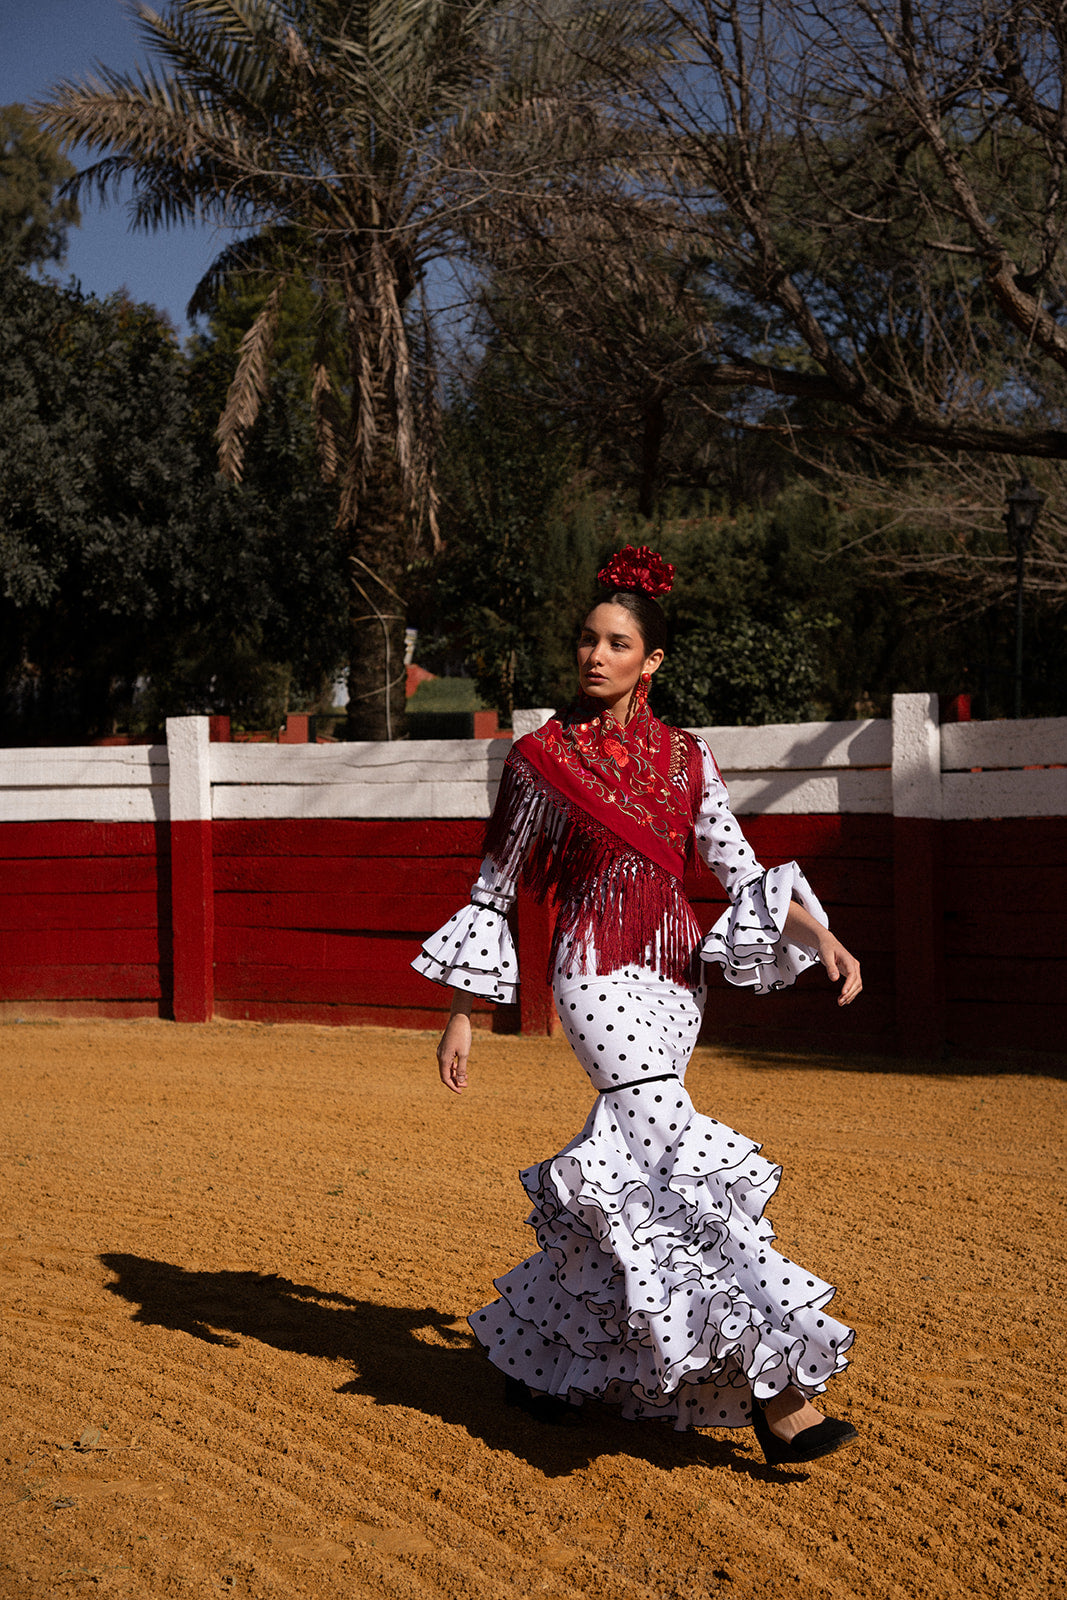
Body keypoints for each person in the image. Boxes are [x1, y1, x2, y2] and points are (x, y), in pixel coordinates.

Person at [412, 545, 862, 1467]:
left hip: (674, 979)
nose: (594, 655)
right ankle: (778, 1397)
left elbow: (737, 867)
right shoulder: (538, 759)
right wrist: (462, 1007)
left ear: (651, 660)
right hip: (591, 973)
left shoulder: (688, 757)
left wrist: (819, 934)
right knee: (675, 1163)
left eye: (616, 643)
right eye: (587, 639)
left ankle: (545, 1363)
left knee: (634, 1171)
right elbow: (496, 882)